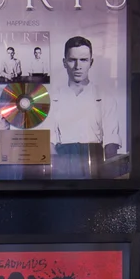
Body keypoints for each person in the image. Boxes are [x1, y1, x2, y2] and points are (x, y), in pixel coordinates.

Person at [49, 35, 127, 178]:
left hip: (95, 161)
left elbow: (111, 143)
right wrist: (59, 173)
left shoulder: (105, 97)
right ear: (64, 62)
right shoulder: (53, 99)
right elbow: (49, 144)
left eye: (83, 60)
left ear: (91, 62)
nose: (78, 66)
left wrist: (104, 175)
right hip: (63, 164)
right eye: (72, 60)